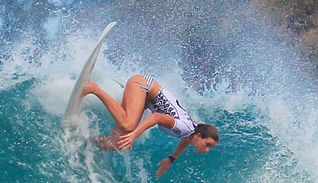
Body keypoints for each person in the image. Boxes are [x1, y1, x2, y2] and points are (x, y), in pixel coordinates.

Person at [80, 75, 219, 177]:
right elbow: (157, 117)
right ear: (199, 136)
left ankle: (87, 138)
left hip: (146, 98)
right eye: (207, 144)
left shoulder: (190, 132)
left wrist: (171, 159)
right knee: (128, 125)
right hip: (143, 85)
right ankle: (94, 88)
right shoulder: (185, 128)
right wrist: (134, 135)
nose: (207, 149)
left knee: (115, 144)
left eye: (210, 147)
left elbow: (185, 140)